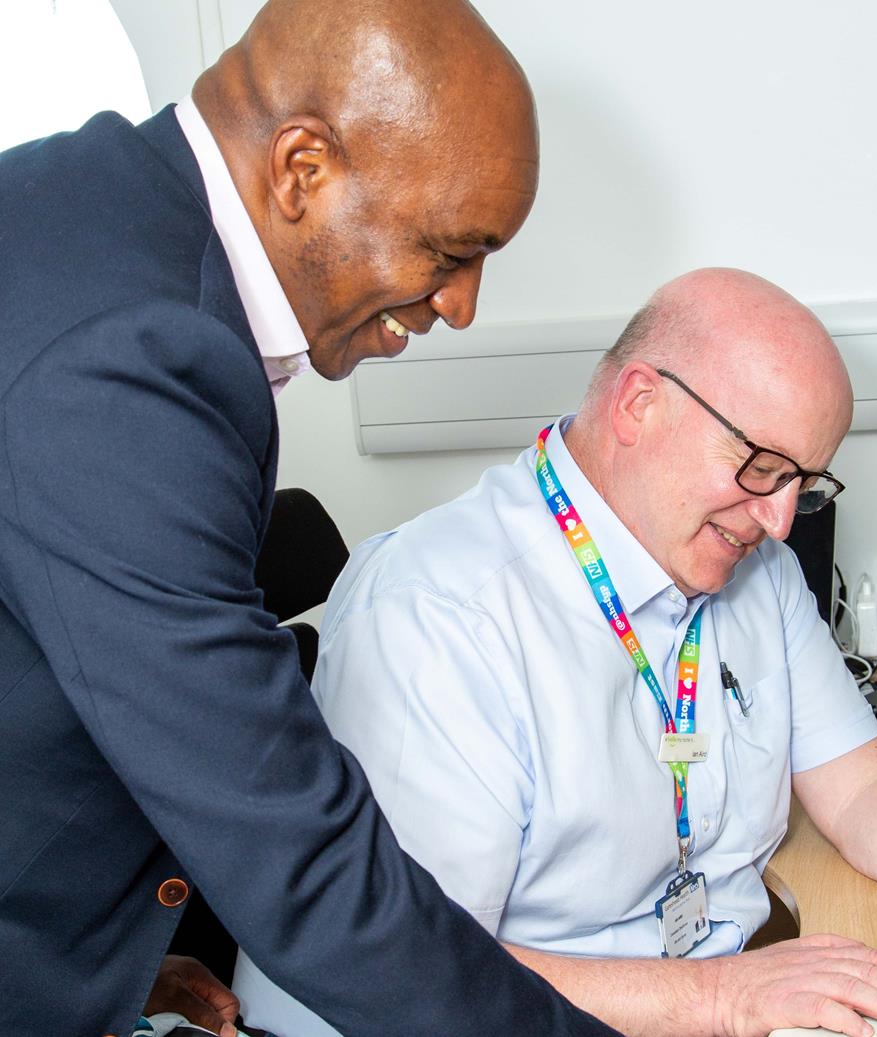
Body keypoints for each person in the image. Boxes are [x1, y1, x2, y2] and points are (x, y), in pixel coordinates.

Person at [0, 2, 621, 1036]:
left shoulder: (96, 215)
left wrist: (100, 963)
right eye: (450, 248)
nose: (462, 305)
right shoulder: (130, 354)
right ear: (302, 168)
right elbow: (303, 860)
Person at [237, 268, 877, 1037]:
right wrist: (718, 999)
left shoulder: (757, 571)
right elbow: (416, 980)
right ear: (639, 404)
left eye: (804, 481)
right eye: (760, 467)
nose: (780, 519)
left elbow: (859, 782)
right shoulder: (438, 616)